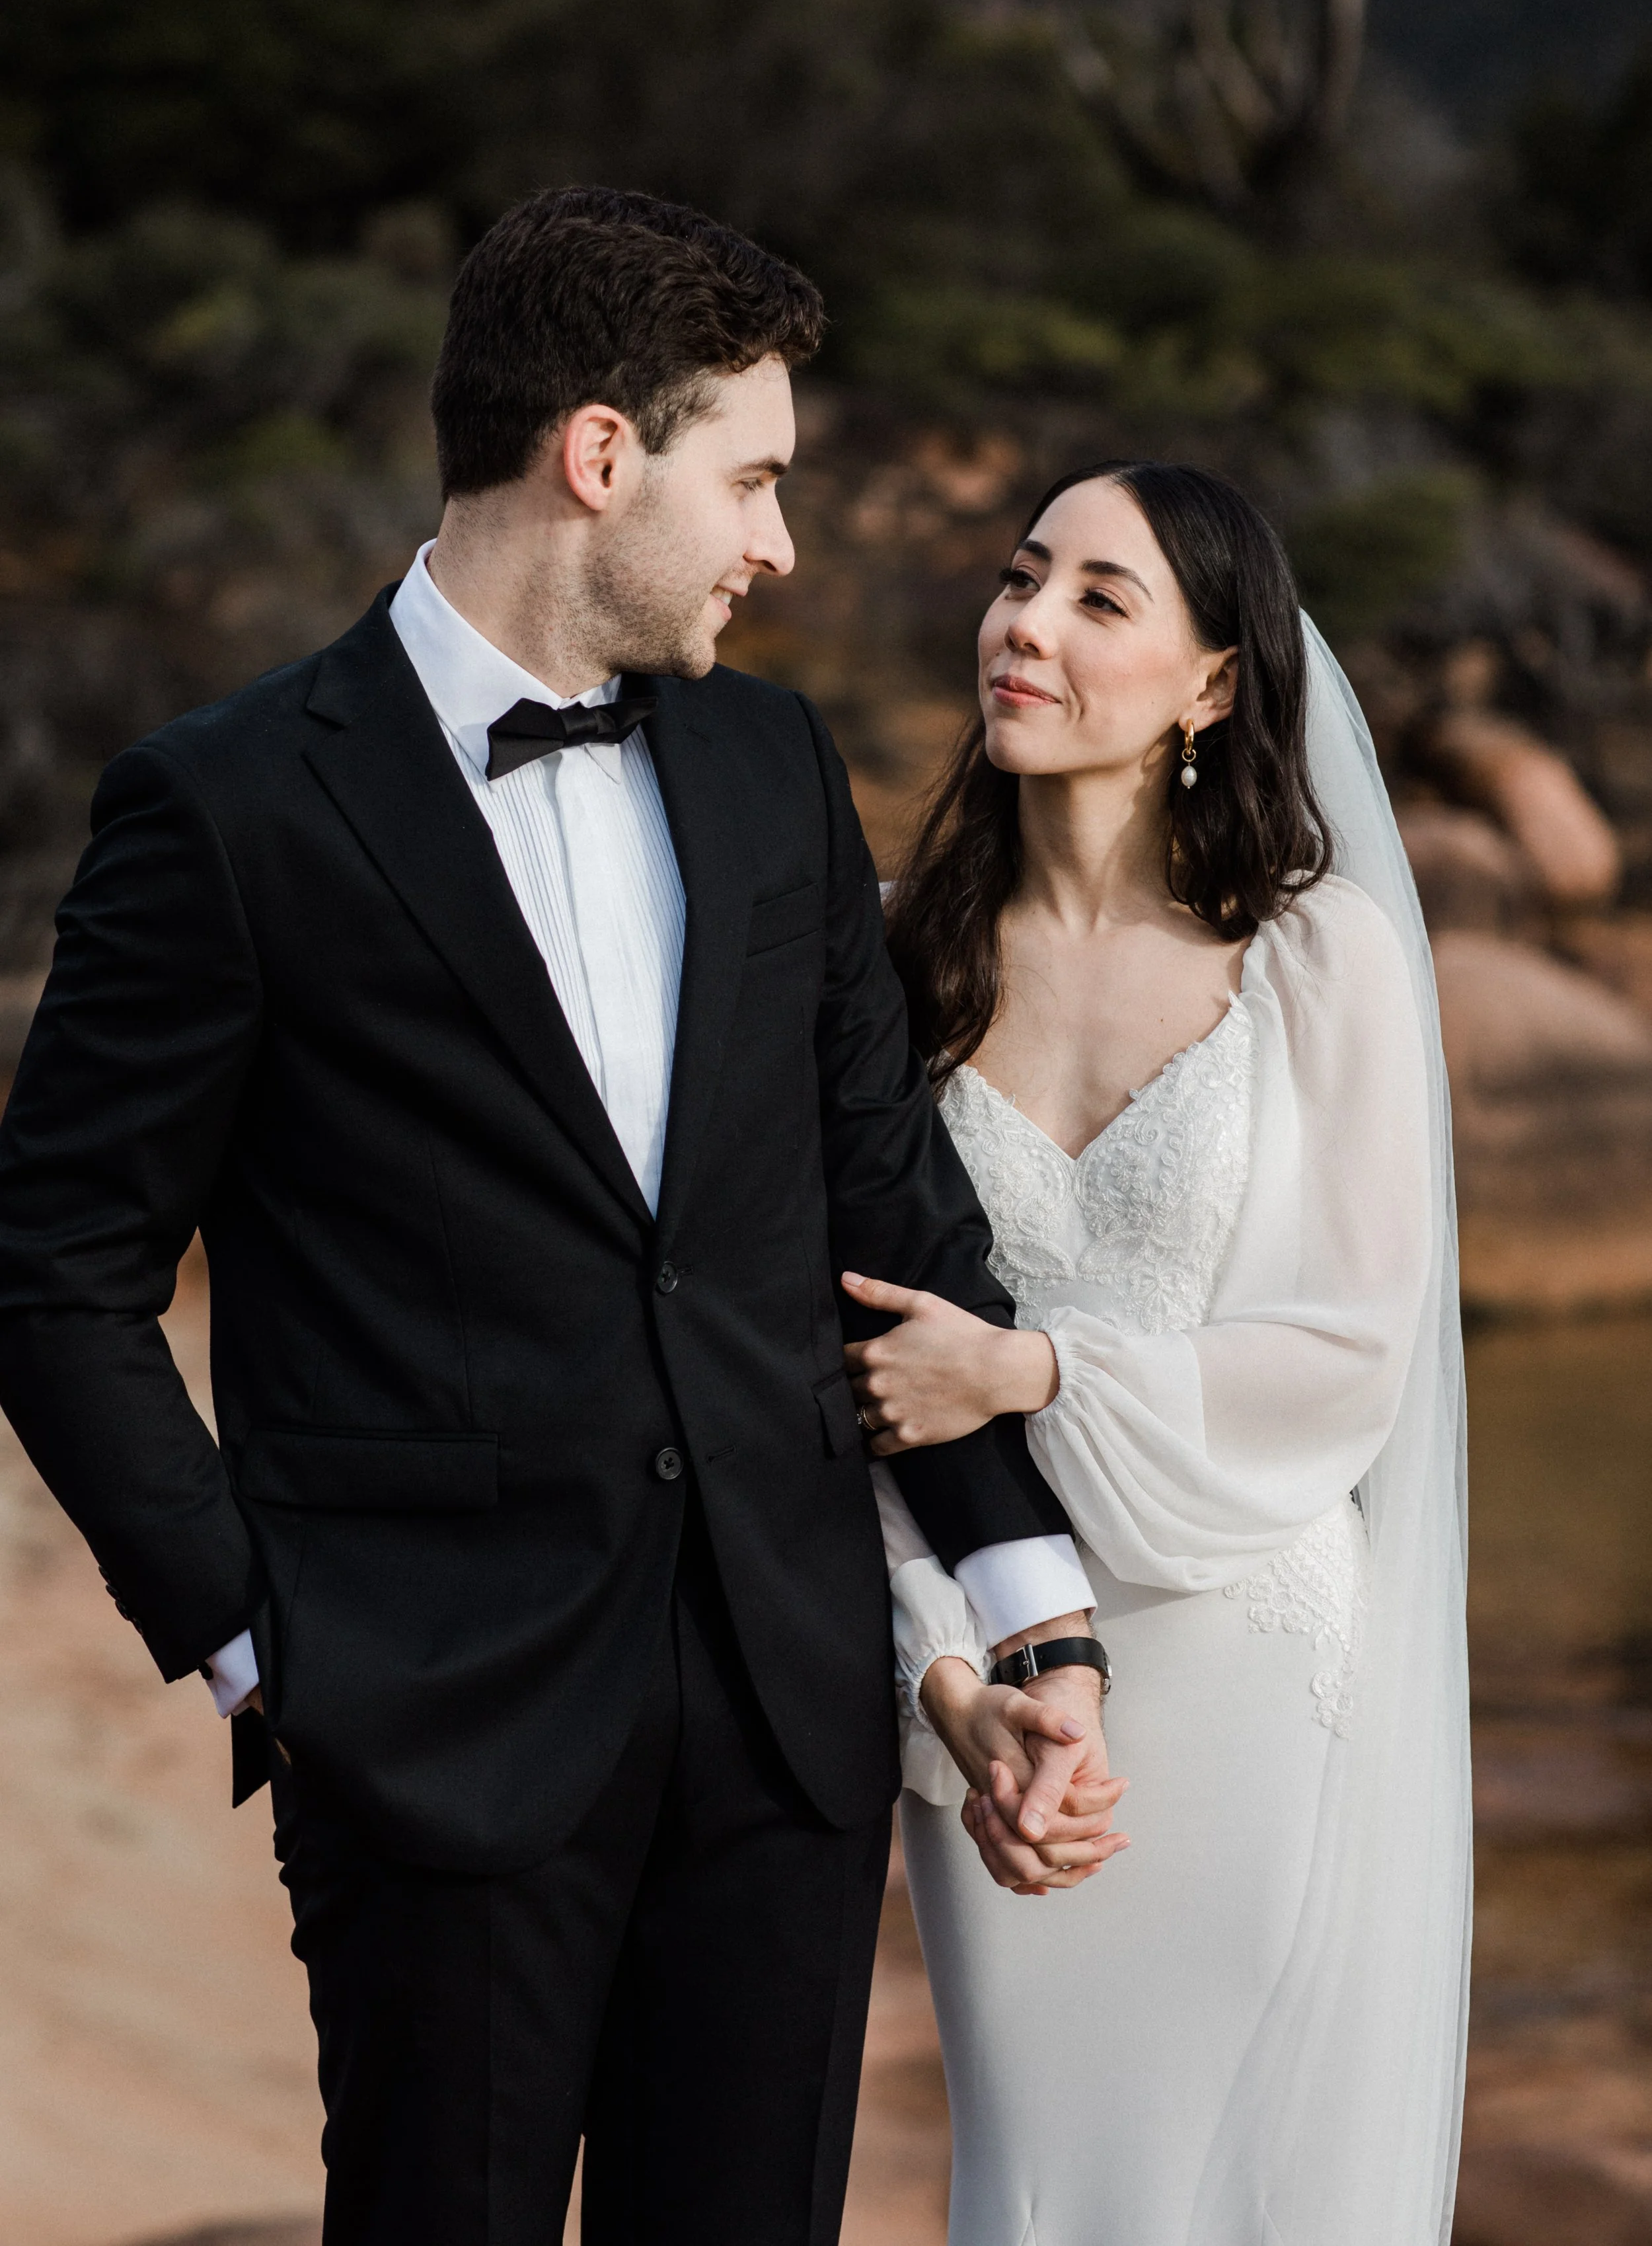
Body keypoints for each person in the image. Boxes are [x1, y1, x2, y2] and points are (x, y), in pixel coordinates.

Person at [0, 187, 1111, 2246]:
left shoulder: (776, 762)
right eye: (754, 475)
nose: (781, 542)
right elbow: (52, 1269)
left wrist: (1031, 1610)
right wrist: (261, 1648)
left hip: (785, 1721)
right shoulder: (229, 805)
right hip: (429, 1729)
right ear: (600, 456)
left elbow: (890, 1200)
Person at [843, 460, 1471, 2245]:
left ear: (1210, 683)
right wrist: (944, 1687)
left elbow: (1356, 1347)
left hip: (1253, 1667)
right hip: (1015, 1705)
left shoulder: (1316, 960)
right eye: (1018, 575)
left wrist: (1036, 1372)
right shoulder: (896, 966)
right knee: (1039, 2177)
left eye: (1098, 598)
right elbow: (856, 1367)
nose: (1024, 625)